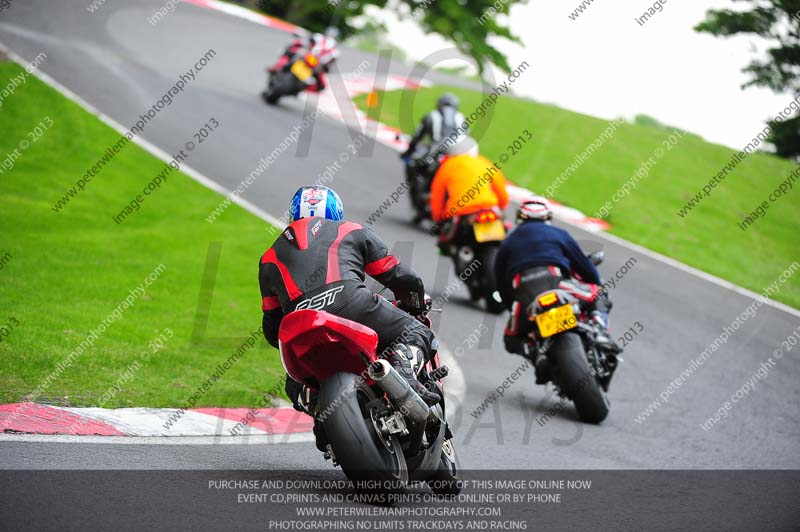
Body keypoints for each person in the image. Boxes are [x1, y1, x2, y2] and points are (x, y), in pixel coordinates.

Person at [259, 186, 441, 447]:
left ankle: (319, 410)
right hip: (351, 303)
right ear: (336, 212)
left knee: (295, 381)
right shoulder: (349, 230)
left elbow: (271, 328)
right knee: (417, 331)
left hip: (300, 327)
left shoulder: (268, 259)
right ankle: (405, 363)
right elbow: (399, 276)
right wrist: (415, 305)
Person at [494, 198, 621, 383]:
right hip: (557, 284)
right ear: (547, 217)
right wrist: (593, 280)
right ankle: (600, 329)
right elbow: (583, 265)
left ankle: (537, 357)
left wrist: (511, 306)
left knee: (511, 338)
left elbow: (501, 282)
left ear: (520, 218)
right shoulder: (559, 234)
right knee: (598, 292)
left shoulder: (507, 242)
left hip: (526, 296)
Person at [428, 136, 509, 226]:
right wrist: (501, 206)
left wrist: (438, 219)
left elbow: (437, 196)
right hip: (489, 208)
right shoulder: (485, 163)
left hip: (461, 213)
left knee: (447, 237)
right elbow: (501, 191)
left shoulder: (446, 166)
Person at [401, 92, 467, 164]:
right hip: (459, 155)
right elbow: (466, 138)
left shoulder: (431, 116)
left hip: (436, 154)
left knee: (418, 161)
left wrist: (408, 152)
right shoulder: (461, 117)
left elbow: (417, 136)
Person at [268, 27, 339, 92]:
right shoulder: (318, 36)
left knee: (321, 84)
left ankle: (300, 88)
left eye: (333, 34)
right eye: (331, 33)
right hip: (308, 55)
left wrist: (325, 66)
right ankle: (280, 68)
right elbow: (307, 40)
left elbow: (332, 60)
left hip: (317, 62)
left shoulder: (334, 49)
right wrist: (305, 46)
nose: (331, 35)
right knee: (295, 53)